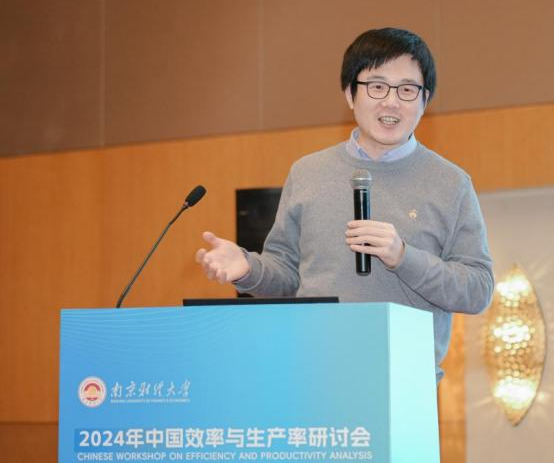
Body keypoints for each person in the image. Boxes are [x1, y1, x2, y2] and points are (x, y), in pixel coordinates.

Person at [196, 27, 494, 381]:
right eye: (377, 86)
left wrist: (404, 256)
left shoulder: (451, 182)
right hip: (314, 372)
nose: (391, 102)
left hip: (405, 378)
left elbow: (478, 289)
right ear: (350, 94)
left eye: (407, 89)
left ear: (424, 100)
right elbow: (288, 275)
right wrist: (248, 269)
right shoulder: (308, 173)